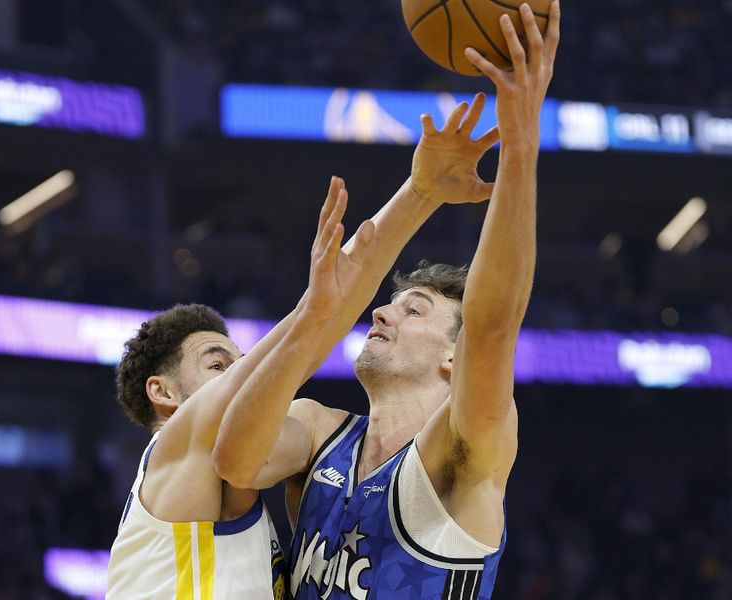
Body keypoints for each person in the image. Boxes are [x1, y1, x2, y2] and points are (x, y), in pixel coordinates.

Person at [212, 3, 561, 598]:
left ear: (453, 360)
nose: (380, 310)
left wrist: (520, 142)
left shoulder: (465, 451)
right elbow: (237, 461)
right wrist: (315, 315)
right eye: (394, 302)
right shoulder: (319, 431)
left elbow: (493, 325)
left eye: (415, 308)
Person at [106, 95, 500, 597]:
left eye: (241, 360)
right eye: (218, 364)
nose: (246, 372)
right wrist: (418, 194)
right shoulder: (177, 447)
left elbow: (308, 333)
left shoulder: (248, 505)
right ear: (163, 392)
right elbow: (306, 338)